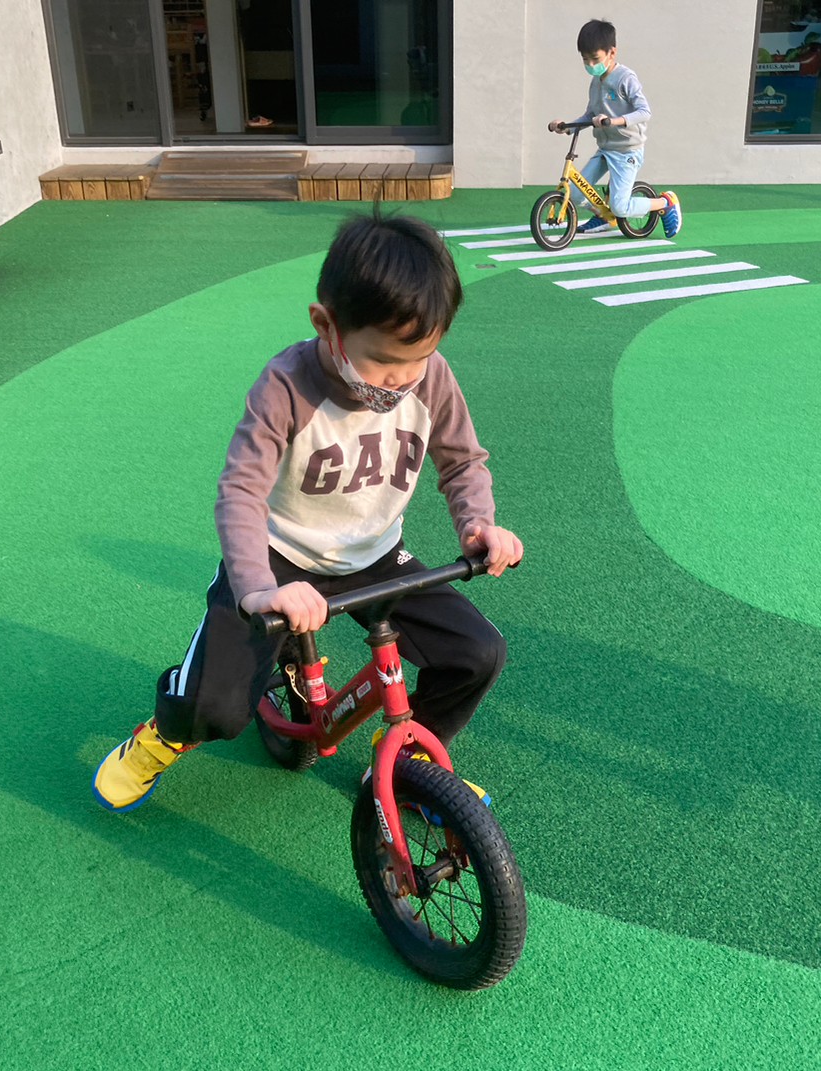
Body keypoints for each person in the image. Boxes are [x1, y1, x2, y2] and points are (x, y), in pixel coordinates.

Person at [93, 210, 524, 811]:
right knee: (214, 708)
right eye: (383, 361)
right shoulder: (286, 387)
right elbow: (240, 492)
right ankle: (164, 734)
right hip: (279, 558)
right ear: (327, 325)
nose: (401, 381)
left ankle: (411, 761)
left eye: (418, 359)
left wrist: (478, 522)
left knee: (477, 653)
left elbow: (462, 461)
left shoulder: (430, 379)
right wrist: (256, 589)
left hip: (374, 554)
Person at [548, 18, 682, 238]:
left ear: (612, 53)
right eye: (585, 60)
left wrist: (613, 120)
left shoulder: (625, 78)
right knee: (576, 195)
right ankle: (603, 216)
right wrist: (567, 127)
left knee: (620, 207)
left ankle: (665, 202)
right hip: (606, 148)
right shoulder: (596, 82)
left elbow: (644, 111)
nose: (590, 65)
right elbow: (590, 115)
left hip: (627, 151)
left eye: (595, 59)